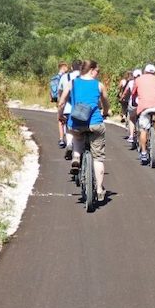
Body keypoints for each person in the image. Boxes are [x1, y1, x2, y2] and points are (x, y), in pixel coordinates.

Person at [57, 59, 110, 202]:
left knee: (77, 137)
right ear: (91, 70)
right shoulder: (99, 85)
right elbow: (105, 103)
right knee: (98, 157)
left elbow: (61, 102)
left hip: (76, 122)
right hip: (95, 123)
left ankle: (76, 158)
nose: (98, 73)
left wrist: (60, 115)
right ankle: (99, 189)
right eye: (97, 71)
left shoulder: (72, 83)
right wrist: (106, 112)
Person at [131, 63, 155, 165]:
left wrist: (134, 102)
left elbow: (133, 93)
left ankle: (143, 154)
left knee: (144, 129)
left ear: (145, 71)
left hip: (144, 107)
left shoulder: (138, 80)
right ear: (154, 72)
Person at [58, 60, 81, 160]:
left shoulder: (65, 77)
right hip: (81, 108)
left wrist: (60, 106)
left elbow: (60, 92)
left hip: (67, 108)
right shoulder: (85, 77)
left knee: (69, 128)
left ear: (72, 67)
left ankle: (69, 144)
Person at [55, 62, 69, 148]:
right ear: (63, 67)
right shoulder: (66, 76)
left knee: (60, 120)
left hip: (60, 100)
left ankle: (61, 139)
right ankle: (69, 140)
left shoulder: (55, 78)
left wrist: (58, 101)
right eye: (66, 67)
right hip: (67, 101)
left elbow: (57, 91)